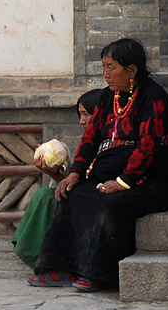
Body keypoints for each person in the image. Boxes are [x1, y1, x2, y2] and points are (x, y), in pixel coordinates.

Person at [28, 38, 168, 291]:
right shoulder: (107, 97)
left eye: (111, 67)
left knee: (111, 203)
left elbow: (148, 146)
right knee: (72, 194)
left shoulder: (153, 97)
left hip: (156, 180)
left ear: (132, 70)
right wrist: (74, 173)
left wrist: (123, 182)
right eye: (103, 67)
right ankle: (60, 268)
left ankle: (100, 275)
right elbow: (90, 138)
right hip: (115, 175)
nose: (106, 74)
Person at [12, 88, 102, 268]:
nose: (82, 121)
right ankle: (27, 248)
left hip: (95, 203)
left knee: (46, 196)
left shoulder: (109, 144)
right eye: (80, 115)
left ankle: (39, 255)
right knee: (44, 194)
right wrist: (53, 173)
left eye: (86, 114)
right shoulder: (89, 144)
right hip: (83, 197)